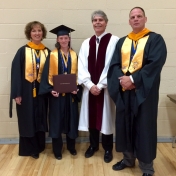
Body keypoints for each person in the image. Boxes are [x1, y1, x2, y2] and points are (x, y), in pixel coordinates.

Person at [107, 7, 167, 176]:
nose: (136, 19)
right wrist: (123, 80)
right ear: (129, 21)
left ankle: (147, 166)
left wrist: (133, 80)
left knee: (144, 126)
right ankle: (128, 159)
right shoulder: (122, 42)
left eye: (139, 16)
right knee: (125, 124)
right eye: (132, 17)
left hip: (144, 93)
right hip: (125, 92)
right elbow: (114, 65)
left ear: (145, 19)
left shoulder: (155, 40)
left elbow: (155, 64)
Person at [78, 10, 119, 163]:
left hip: (105, 89)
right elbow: (81, 65)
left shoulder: (114, 41)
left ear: (106, 22)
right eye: (95, 20)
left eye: (100, 20)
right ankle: (93, 145)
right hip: (90, 89)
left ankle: (108, 148)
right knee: (92, 117)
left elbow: (113, 65)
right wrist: (89, 84)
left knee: (106, 119)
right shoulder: (86, 43)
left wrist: (101, 85)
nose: (97, 22)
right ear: (92, 23)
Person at [39, 25, 82, 160]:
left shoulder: (75, 55)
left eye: (65, 38)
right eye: (61, 38)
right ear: (58, 39)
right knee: (56, 122)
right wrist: (51, 90)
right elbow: (46, 75)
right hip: (56, 96)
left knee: (71, 121)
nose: (63, 40)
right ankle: (57, 150)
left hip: (71, 96)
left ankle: (71, 147)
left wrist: (77, 88)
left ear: (69, 39)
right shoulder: (52, 55)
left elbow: (80, 74)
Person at [9, 21, 50, 159]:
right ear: (29, 34)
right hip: (26, 92)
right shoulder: (22, 51)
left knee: (40, 118)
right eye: (34, 31)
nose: (37, 33)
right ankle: (30, 148)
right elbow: (16, 73)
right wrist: (17, 93)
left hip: (42, 92)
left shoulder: (47, 51)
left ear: (43, 33)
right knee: (28, 118)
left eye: (39, 30)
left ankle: (39, 145)